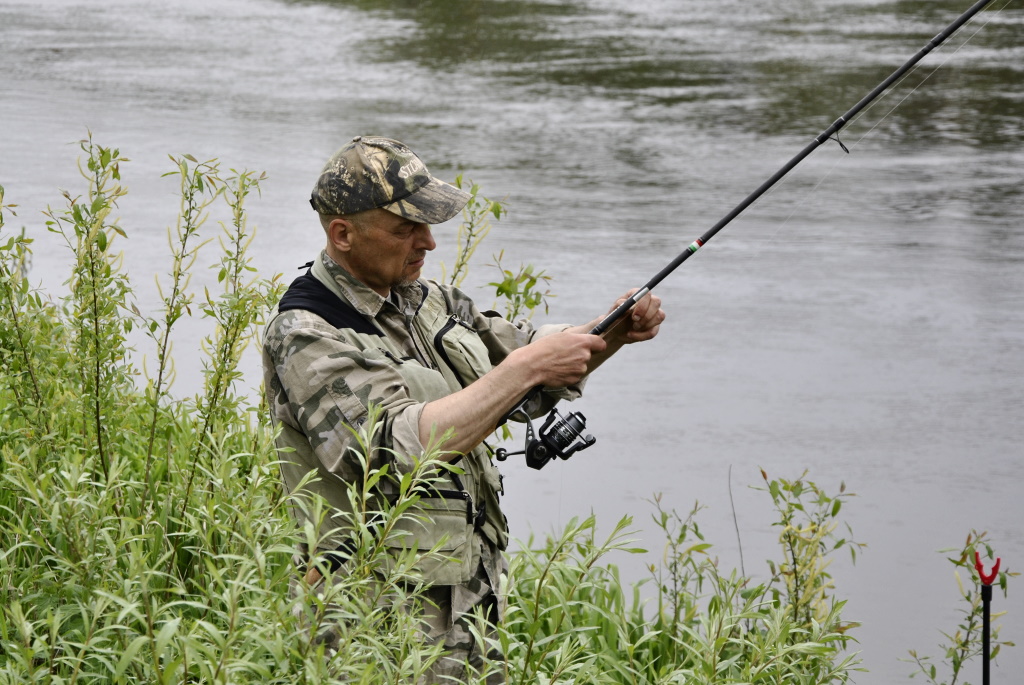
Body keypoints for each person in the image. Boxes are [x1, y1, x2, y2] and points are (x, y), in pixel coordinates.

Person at [261, 135, 665, 682]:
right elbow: (391, 449)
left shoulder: (430, 300)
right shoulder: (307, 332)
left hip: (468, 604)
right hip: (374, 617)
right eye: (405, 228)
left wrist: (610, 332)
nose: (428, 241)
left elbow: (520, 366)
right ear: (343, 234)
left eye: (428, 225)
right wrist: (527, 368)